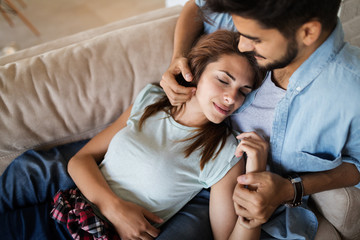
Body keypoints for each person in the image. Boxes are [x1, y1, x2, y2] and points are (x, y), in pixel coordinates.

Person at [0, 30, 267, 240]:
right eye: (223, 79)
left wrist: (255, 182)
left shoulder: (224, 153)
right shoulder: (151, 100)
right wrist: (114, 208)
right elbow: (80, 161)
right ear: (195, 70)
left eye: (243, 91)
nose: (232, 97)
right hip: (58, 214)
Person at [160, 0, 360, 239]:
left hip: (261, 209)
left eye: (254, 39)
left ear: (308, 32)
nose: (242, 45)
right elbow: (197, 6)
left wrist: (290, 188)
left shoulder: (351, 92)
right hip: (186, 180)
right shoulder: (255, 13)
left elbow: (356, 166)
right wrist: (178, 57)